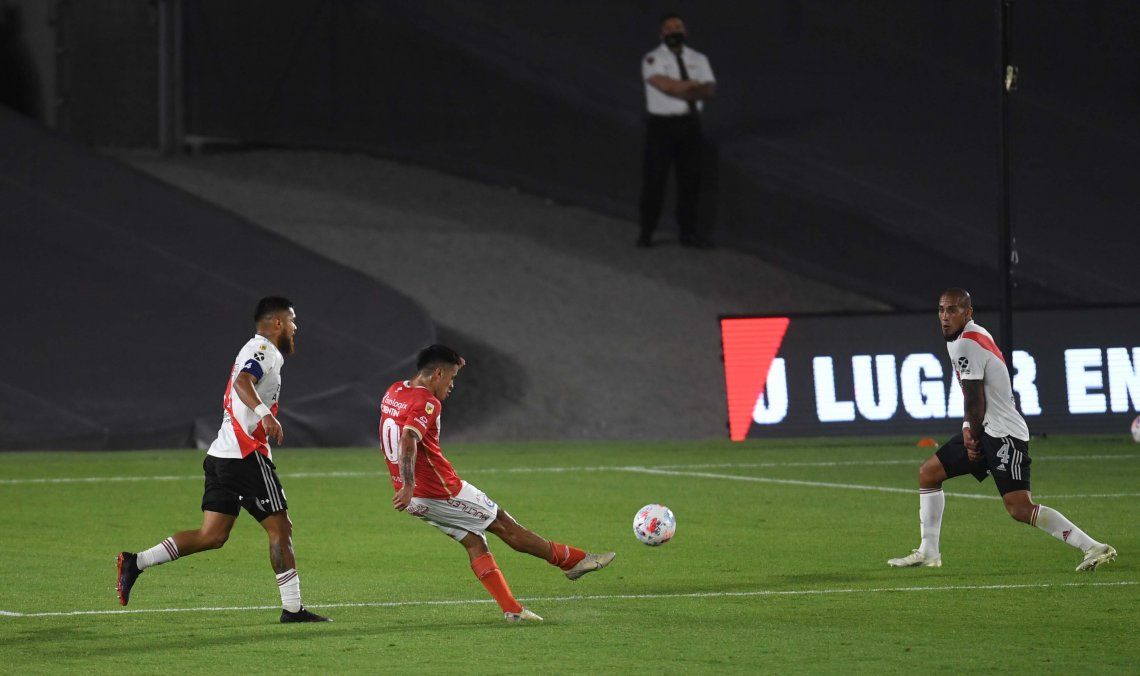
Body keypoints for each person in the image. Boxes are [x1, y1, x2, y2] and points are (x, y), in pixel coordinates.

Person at [116, 297, 331, 623]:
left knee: (212, 536)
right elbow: (243, 382)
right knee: (280, 527)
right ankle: (292, 609)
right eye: (292, 320)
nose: (295, 327)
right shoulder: (264, 350)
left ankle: (136, 562)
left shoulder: (253, 349)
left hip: (221, 454)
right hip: (245, 455)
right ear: (277, 323)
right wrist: (265, 414)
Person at [381, 345, 616, 623]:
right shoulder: (427, 402)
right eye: (452, 377)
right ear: (439, 373)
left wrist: (405, 485)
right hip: (439, 491)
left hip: (414, 498)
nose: (452, 385)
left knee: (474, 541)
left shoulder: (394, 391)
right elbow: (408, 438)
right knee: (503, 524)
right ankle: (572, 561)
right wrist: (409, 484)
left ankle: (512, 610)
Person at [888, 288, 1117, 571]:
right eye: (941, 310)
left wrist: (970, 435)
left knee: (1019, 508)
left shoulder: (966, 343)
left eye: (952, 310)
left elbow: (975, 401)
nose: (945, 317)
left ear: (968, 313)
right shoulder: (963, 337)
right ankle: (929, 552)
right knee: (929, 474)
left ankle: (1093, 547)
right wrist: (969, 430)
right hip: (985, 428)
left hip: (1004, 435)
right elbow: (973, 396)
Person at [637, 13, 716, 249]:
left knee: (690, 181)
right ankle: (646, 232)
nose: (674, 32)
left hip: (690, 126)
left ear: (685, 31)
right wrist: (692, 85)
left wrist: (682, 88)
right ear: (662, 34)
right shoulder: (652, 58)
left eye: (678, 27)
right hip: (661, 127)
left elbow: (709, 90)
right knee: (655, 180)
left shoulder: (699, 58)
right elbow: (664, 86)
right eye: (669, 28)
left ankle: (688, 233)